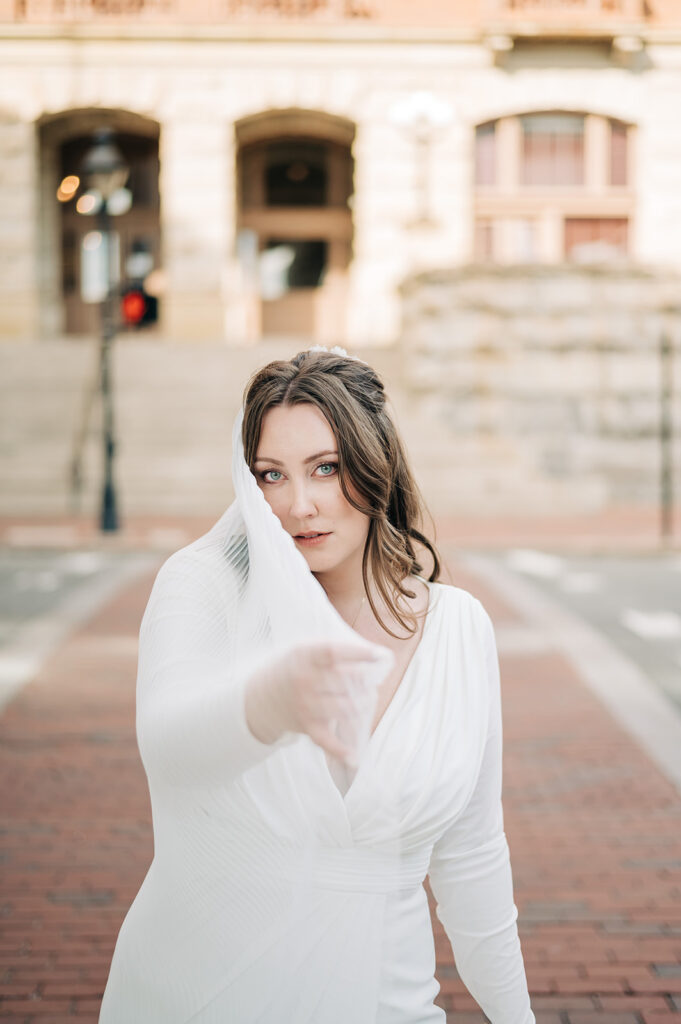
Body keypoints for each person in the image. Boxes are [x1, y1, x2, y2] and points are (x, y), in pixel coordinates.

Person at [99, 347, 535, 1024]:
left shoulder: (459, 629)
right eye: (270, 476)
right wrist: (272, 702)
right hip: (201, 997)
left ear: (373, 464)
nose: (297, 505)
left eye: (324, 469)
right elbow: (168, 743)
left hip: (387, 1004)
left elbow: (472, 856)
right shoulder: (202, 587)